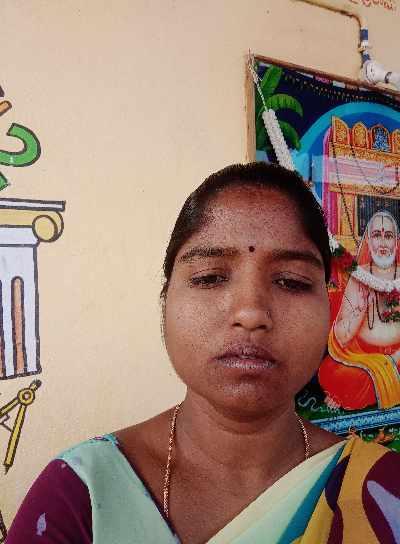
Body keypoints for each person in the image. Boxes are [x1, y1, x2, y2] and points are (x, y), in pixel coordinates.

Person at [6, 163, 400, 543]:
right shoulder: (81, 495)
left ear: (328, 307)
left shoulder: (384, 489)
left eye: (291, 282)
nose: (250, 313)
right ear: (166, 301)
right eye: (210, 277)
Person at [319, 210, 400, 410]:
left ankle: (354, 393)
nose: (383, 243)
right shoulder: (359, 275)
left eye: (388, 236)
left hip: (399, 357)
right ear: (369, 241)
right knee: (331, 372)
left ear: (396, 242)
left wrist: (392, 360)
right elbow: (341, 337)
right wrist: (358, 314)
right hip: (363, 357)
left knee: (360, 381)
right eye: (377, 235)